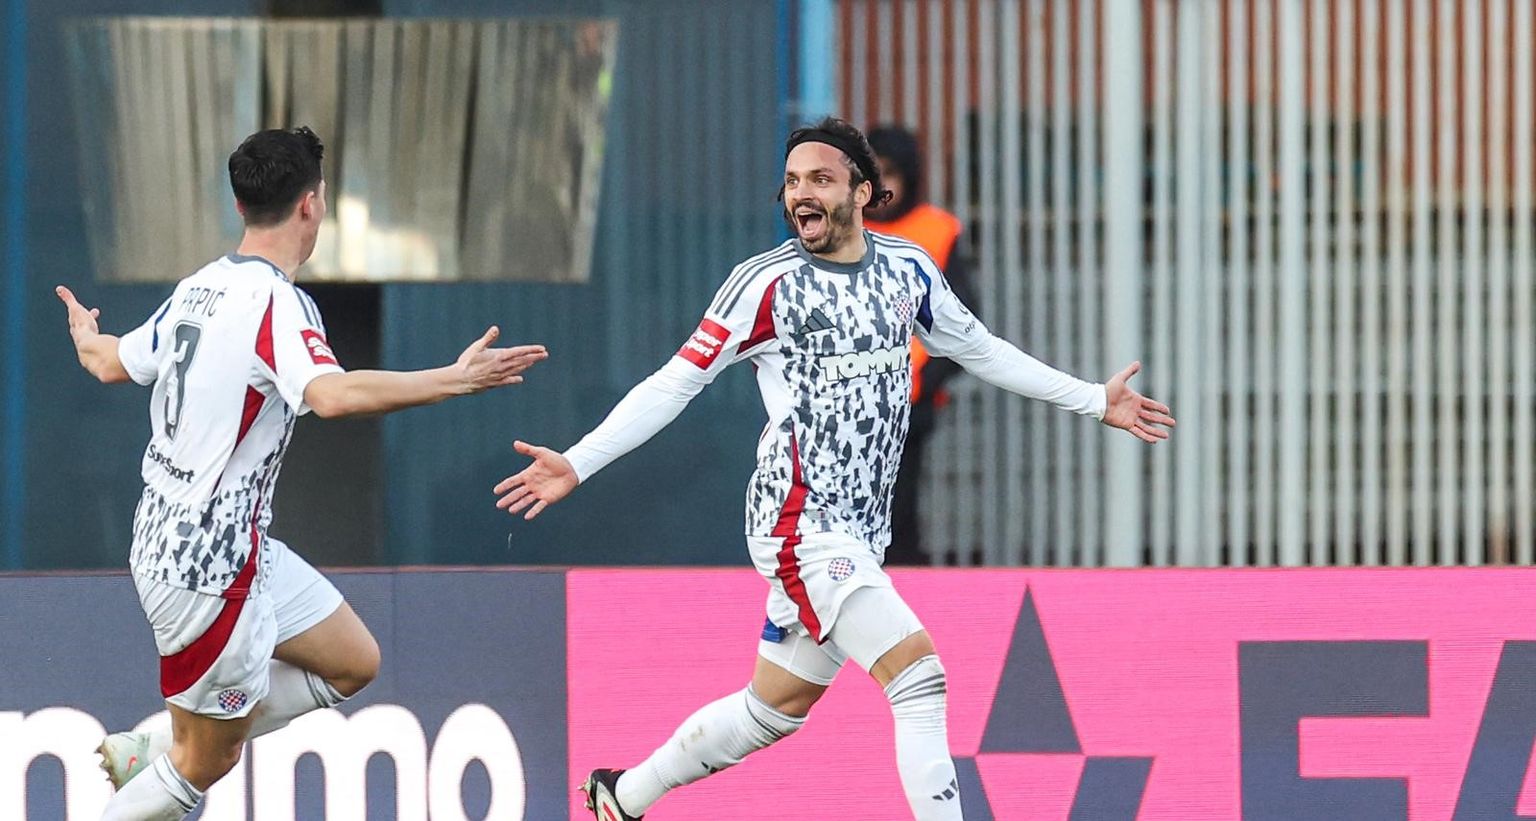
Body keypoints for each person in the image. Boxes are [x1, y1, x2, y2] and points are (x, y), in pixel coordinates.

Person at [494, 116, 1174, 821]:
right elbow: (674, 383)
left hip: (860, 533)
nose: (801, 194)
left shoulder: (909, 269)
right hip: (798, 523)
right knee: (919, 677)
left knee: (772, 710)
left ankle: (622, 796)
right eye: (792, 181)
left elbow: (981, 349)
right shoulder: (764, 284)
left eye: (820, 179)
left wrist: (1093, 398)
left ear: (863, 192)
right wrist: (578, 461)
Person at [58, 126, 547, 820]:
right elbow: (332, 394)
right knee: (206, 762)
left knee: (354, 660)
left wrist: (85, 334)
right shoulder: (277, 303)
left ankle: (160, 742)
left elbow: (111, 362)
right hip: (208, 567)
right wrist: (456, 379)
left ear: (239, 205)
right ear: (312, 205)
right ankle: (174, 749)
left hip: (208, 542)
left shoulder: (200, 286)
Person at [862, 124, 975, 564]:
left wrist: (925, 383)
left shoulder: (937, 231)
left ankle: (902, 586)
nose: (882, 187)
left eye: (891, 173)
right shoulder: (838, 229)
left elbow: (965, 321)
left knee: (899, 504)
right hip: (844, 395)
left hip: (911, 397)